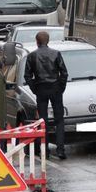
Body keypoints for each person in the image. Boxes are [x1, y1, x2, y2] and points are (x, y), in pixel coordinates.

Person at [24, 31, 68, 159]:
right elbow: (64, 73)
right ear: (47, 41)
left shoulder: (32, 56)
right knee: (59, 120)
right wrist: (61, 87)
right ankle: (60, 150)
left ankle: (45, 150)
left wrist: (34, 88)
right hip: (55, 88)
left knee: (43, 121)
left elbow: (27, 75)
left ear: (36, 41)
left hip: (41, 89)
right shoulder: (56, 54)